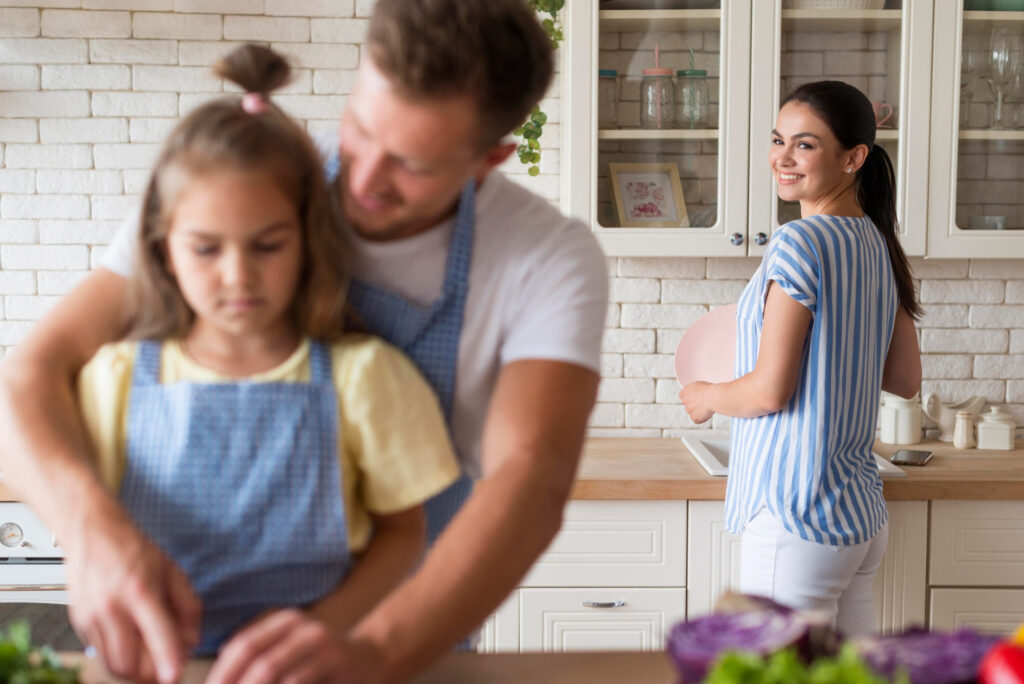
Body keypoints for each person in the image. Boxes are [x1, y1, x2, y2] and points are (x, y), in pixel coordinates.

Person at [0, 0, 608, 681]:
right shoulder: (244, 180)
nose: (366, 179)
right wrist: (90, 532)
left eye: (412, 163)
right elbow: (29, 375)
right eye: (360, 129)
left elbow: (531, 477)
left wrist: (373, 648)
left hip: (403, 640)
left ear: (489, 159)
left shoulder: (547, 259)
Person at [74, 43, 461, 661]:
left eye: (267, 245)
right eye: (206, 248)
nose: (238, 276)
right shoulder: (113, 378)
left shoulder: (367, 378)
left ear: (309, 241)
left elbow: (404, 535)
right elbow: (89, 527)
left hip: (309, 668)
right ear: (162, 248)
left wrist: (325, 629)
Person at [679, 80, 922, 637]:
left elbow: (768, 392)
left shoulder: (799, 243)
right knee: (846, 675)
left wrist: (707, 396)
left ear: (854, 157)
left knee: (773, 672)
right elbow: (904, 379)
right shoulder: (877, 242)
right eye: (777, 140)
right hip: (857, 515)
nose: (782, 158)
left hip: (796, 512)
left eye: (805, 145)